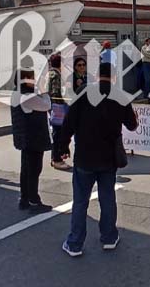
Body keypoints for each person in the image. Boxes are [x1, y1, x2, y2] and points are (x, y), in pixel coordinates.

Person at [59, 63, 139, 257]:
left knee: (80, 201)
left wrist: (61, 147)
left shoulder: (83, 92)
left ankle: (75, 243)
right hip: (108, 157)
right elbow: (132, 125)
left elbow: (68, 123)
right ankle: (109, 237)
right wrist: (133, 116)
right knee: (107, 198)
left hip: (84, 155)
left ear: (96, 76)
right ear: (114, 77)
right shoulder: (120, 95)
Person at [11, 67, 53, 213]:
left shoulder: (17, 93)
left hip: (26, 138)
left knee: (26, 170)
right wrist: (44, 91)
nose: (34, 80)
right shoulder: (27, 96)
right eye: (31, 78)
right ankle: (33, 201)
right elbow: (46, 105)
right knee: (34, 170)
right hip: (33, 138)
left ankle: (25, 199)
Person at [47, 53, 71, 171]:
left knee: (56, 133)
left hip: (52, 106)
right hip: (58, 107)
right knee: (58, 134)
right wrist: (65, 100)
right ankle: (57, 160)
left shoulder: (50, 74)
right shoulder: (56, 75)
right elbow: (56, 93)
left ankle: (55, 158)